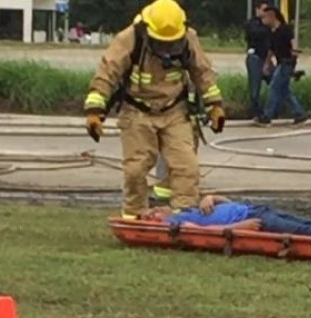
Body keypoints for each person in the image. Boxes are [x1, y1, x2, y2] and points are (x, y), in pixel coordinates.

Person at [83, 0, 225, 220]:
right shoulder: (129, 38)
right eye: (161, 42)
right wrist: (94, 110)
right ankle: (134, 216)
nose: (167, 48)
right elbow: (106, 73)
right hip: (137, 111)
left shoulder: (188, 39)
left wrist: (214, 106)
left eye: (172, 42)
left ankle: (183, 217)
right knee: (135, 170)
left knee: (186, 166)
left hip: (175, 110)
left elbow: (203, 72)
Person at [143, 194, 311, 238]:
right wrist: (241, 227)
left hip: (254, 208)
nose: (154, 211)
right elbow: (205, 232)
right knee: (305, 231)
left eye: (153, 209)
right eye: (151, 216)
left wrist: (212, 197)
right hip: (255, 219)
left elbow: (228, 201)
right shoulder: (176, 222)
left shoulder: (185, 210)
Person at [257, 7, 307, 126]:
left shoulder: (285, 29)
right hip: (280, 62)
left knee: (274, 86)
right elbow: (271, 49)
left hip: (287, 61)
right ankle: (300, 113)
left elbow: (293, 41)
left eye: (264, 17)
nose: (263, 20)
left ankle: (267, 115)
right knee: (284, 91)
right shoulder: (271, 32)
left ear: (271, 16)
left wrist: (294, 53)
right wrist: (267, 64)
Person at [245, 2, 272, 121]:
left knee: (278, 85)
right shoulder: (252, 23)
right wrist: (266, 26)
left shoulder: (269, 24)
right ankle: (257, 113)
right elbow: (254, 34)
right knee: (255, 90)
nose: (266, 13)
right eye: (264, 10)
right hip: (255, 58)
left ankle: (297, 111)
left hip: (267, 59)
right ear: (257, 10)